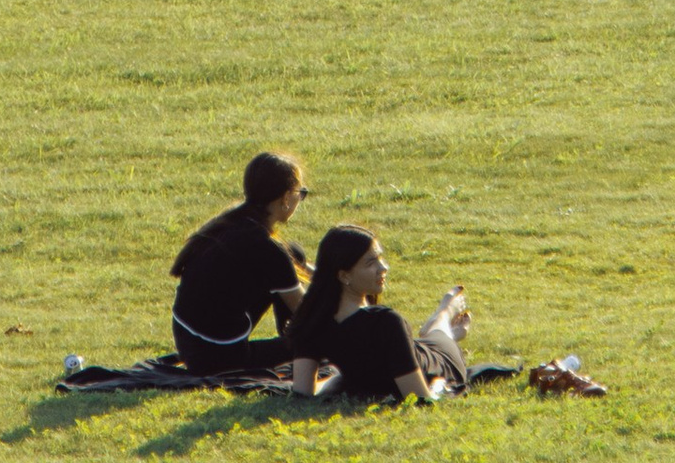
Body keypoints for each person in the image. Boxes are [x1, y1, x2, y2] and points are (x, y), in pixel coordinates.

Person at [285, 226, 472, 404]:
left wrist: (339, 381)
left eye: (380, 258)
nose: (384, 267)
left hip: (435, 360)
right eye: (371, 263)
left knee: (441, 336)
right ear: (344, 276)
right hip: (442, 361)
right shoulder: (385, 322)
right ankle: (444, 319)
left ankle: (445, 313)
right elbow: (420, 398)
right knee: (439, 335)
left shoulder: (313, 316)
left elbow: (303, 392)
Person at [168, 151, 311, 375]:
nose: (300, 199)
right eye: (300, 193)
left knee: (294, 253)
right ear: (285, 198)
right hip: (219, 358)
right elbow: (308, 313)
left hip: (187, 343)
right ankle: (296, 341)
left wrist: (333, 273)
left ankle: (292, 337)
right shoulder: (267, 249)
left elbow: (296, 264)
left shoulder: (229, 224)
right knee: (317, 340)